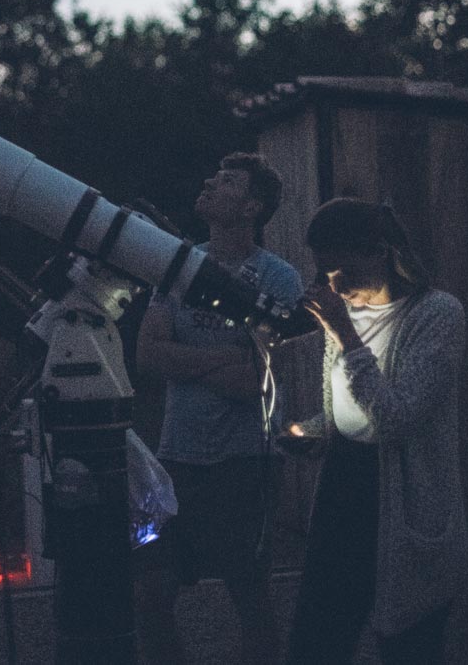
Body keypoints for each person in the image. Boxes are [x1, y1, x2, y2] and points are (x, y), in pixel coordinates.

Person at [284, 199, 468, 664]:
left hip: (403, 498)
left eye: (341, 271)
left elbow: (396, 418)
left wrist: (344, 334)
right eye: (324, 273)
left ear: (379, 253)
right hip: (342, 489)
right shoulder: (346, 315)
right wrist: (315, 430)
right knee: (318, 638)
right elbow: (351, 407)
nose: (334, 285)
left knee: (409, 643)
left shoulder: (436, 314)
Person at [134, 153, 302, 665]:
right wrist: (222, 359)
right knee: (149, 594)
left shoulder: (278, 279)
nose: (209, 182)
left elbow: (254, 380)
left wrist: (188, 360)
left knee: (249, 596)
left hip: (244, 462)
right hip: (177, 459)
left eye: (227, 181)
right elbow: (147, 355)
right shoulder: (178, 267)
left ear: (252, 207)